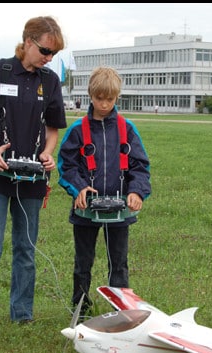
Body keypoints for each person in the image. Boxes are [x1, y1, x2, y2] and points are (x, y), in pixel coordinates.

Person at [0, 16, 67, 330]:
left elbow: (53, 129)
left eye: (53, 54)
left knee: (26, 246)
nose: (49, 59)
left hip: (32, 179)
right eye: (46, 51)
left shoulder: (49, 81)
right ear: (28, 42)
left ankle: (22, 313)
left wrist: (48, 153)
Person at [57, 66, 151, 315]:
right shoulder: (77, 130)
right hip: (86, 210)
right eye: (99, 98)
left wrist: (137, 192)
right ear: (90, 94)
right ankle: (80, 308)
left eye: (110, 99)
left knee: (119, 264)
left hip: (120, 211)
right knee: (83, 263)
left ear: (117, 97)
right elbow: (66, 165)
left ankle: (121, 312)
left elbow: (140, 165)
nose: (104, 104)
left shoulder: (127, 129)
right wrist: (78, 188)